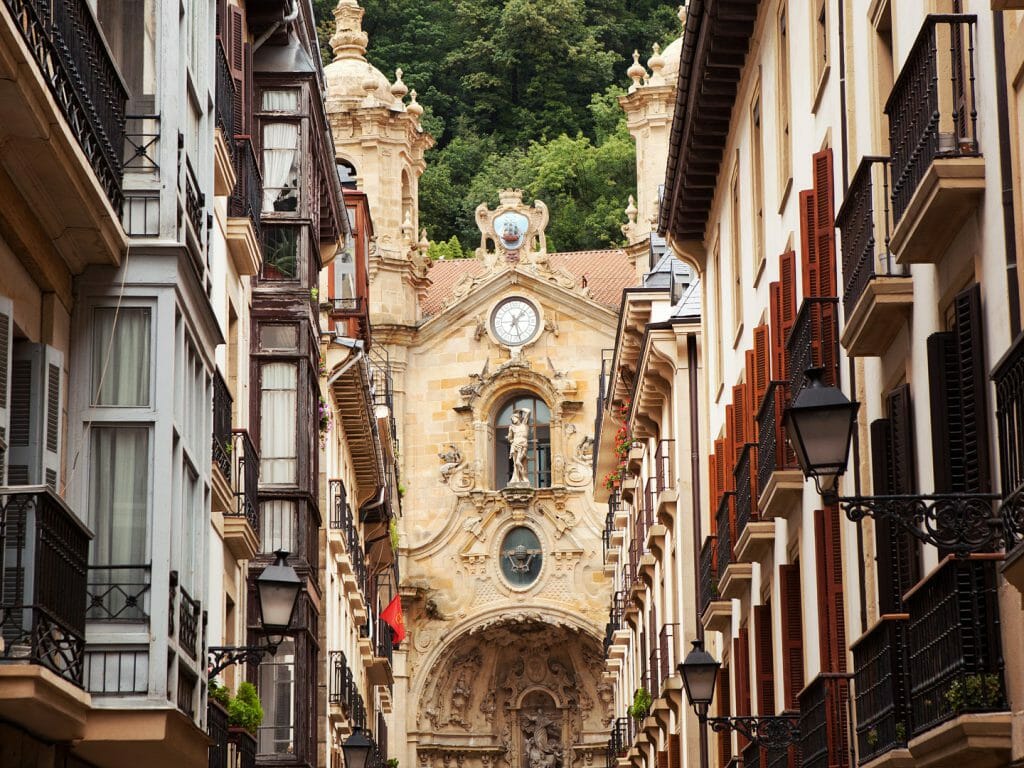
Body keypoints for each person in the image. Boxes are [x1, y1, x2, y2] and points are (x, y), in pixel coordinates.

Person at [508, 409, 530, 485]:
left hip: (523, 444)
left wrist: (520, 409)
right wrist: (511, 440)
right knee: (515, 463)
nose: (513, 420)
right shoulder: (512, 427)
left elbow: (528, 411)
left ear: (518, 418)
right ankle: (516, 478)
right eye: (512, 419)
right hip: (515, 445)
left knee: (518, 461)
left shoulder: (524, 424)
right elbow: (510, 438)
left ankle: (524, 477)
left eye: (514, 418)